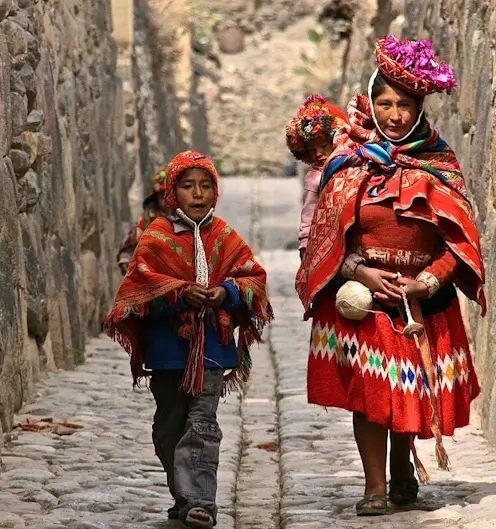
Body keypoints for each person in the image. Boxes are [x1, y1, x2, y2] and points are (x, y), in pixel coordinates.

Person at [295, 35, 487, 516]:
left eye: (404, 104)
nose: (395, 114)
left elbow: (458, 244)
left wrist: (428, 282)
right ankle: (374, 485)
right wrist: (359, 270)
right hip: (365, 299)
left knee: (408, 393)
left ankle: (403, 469)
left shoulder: (438, 163)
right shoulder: (347, 164)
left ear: (419, 107)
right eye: (385, 103)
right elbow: (323, 241)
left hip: (422, 301)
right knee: (370, 397)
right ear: (372, 103)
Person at [106, 151, 274, 528]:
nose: (197, 194)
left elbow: (253, 277)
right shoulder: (157, 237)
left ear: (215, 192)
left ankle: (200, 501)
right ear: (172, 193)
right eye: (187, 186)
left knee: (202, 423)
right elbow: (139, 285)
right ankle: (183, 496)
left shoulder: (226, 236)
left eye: (204, 186)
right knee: (169, 427)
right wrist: (179, 294)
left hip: (212, 349)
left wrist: (225, 293)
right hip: (167, 352)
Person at [285, 94, 348, 260]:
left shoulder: (355, 164)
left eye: (324, 146)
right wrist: (306, 248)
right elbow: (308, 217)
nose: (319, 154)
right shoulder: (315, 179)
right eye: (312, 151)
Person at [117, 168, 170, 274]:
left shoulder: (189, 219)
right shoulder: (147, 219)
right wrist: (126, 259)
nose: (166, 199)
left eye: (169, 195)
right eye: (161, 196)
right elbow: (132, 243)